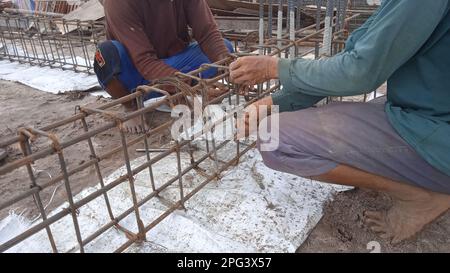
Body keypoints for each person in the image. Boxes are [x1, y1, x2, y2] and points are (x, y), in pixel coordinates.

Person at [230, 0, 450, 244]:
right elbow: (355, 56)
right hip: (430, 114)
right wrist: (272, 103)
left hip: (437, 135)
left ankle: (418, 198)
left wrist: (275, 67)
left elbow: (359, 72)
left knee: (275, 138)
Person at [94, 0, 233, 134]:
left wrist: (229, 67)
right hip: (135, 76)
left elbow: (207, 33)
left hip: (172, 66)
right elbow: (144, 60)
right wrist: (187, 87)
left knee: (224, 48)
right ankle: (131, 107)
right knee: (106, 54)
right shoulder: (118, 3)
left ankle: (174, 92)